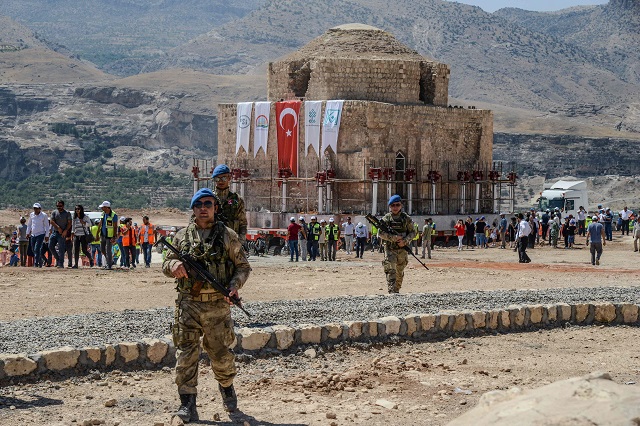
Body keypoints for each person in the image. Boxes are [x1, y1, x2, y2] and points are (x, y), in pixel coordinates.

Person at [163, 188, 250, 420]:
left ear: (215, 208)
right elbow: (166, 262)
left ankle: (227, 389)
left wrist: (234, 286)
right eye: (198, 204)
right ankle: (187, 404)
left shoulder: (227, 235)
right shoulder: (181, 237)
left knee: (221, 356)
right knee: (186, 355)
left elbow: (243, 267)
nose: (203, 207)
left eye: (208, 203)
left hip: (217, 307)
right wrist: (173, 267)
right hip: (188, 305)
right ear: (193, 209)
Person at [378, 195, 416, 294]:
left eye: (397, 205)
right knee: (391, 270)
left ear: (401, 205)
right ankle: (392, 291)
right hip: (390, 249)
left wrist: (405, 241)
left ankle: (396, 290)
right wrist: (393, 238)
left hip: (402, 249)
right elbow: (380, 233)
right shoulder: (386, 218)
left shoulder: (406, 218)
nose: (395, 207)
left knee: (399, 271)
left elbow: (413, 233)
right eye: (393, 205)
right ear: (390, 206)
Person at [211, 164, 247, 245]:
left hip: (232, 242)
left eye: (224, 178)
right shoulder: (209, 198)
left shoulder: (237, 200)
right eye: (217, 178)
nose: (220, 181)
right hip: (212, 242)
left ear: (229, 178)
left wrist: (241, 241)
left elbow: (242, 223)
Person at [48, 200, 72, 269]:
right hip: (55, 232)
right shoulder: (54, 212)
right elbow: (52, 221)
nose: (59, 207)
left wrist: (65, 231)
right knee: (50, 246)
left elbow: (69, 223)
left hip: (62, 234)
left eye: (60, 206)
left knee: (61, 248)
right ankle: (58, 259)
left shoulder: (67, 213)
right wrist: (58, 227)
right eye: (57, 206)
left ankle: (61, 263)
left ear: (63, 206)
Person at [26, 203, 50, 268]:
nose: (35, 210)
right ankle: (40, 261)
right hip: (33, 234)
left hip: (41, 234)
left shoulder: (44, 215)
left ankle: (36, 264)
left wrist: (47, 235)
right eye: (34, 208)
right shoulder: (31, 215)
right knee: (33, 249)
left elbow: (47, 226)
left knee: (37, 249)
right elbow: (29, 224)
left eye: (37, 208)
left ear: (40, 209)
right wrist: (27, 233)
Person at [99, 201, 118, 270]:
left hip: (109, 235)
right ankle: (110, 261)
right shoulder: (103, 214)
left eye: (103, 207)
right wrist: (98, 233)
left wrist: (114, 236)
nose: (102, 208)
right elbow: (100, 224)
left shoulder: (113, 215)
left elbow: (115, 226)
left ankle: (109, 265)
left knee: (108, 250)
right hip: (103, 234)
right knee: (102, 249)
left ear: (107, 207)